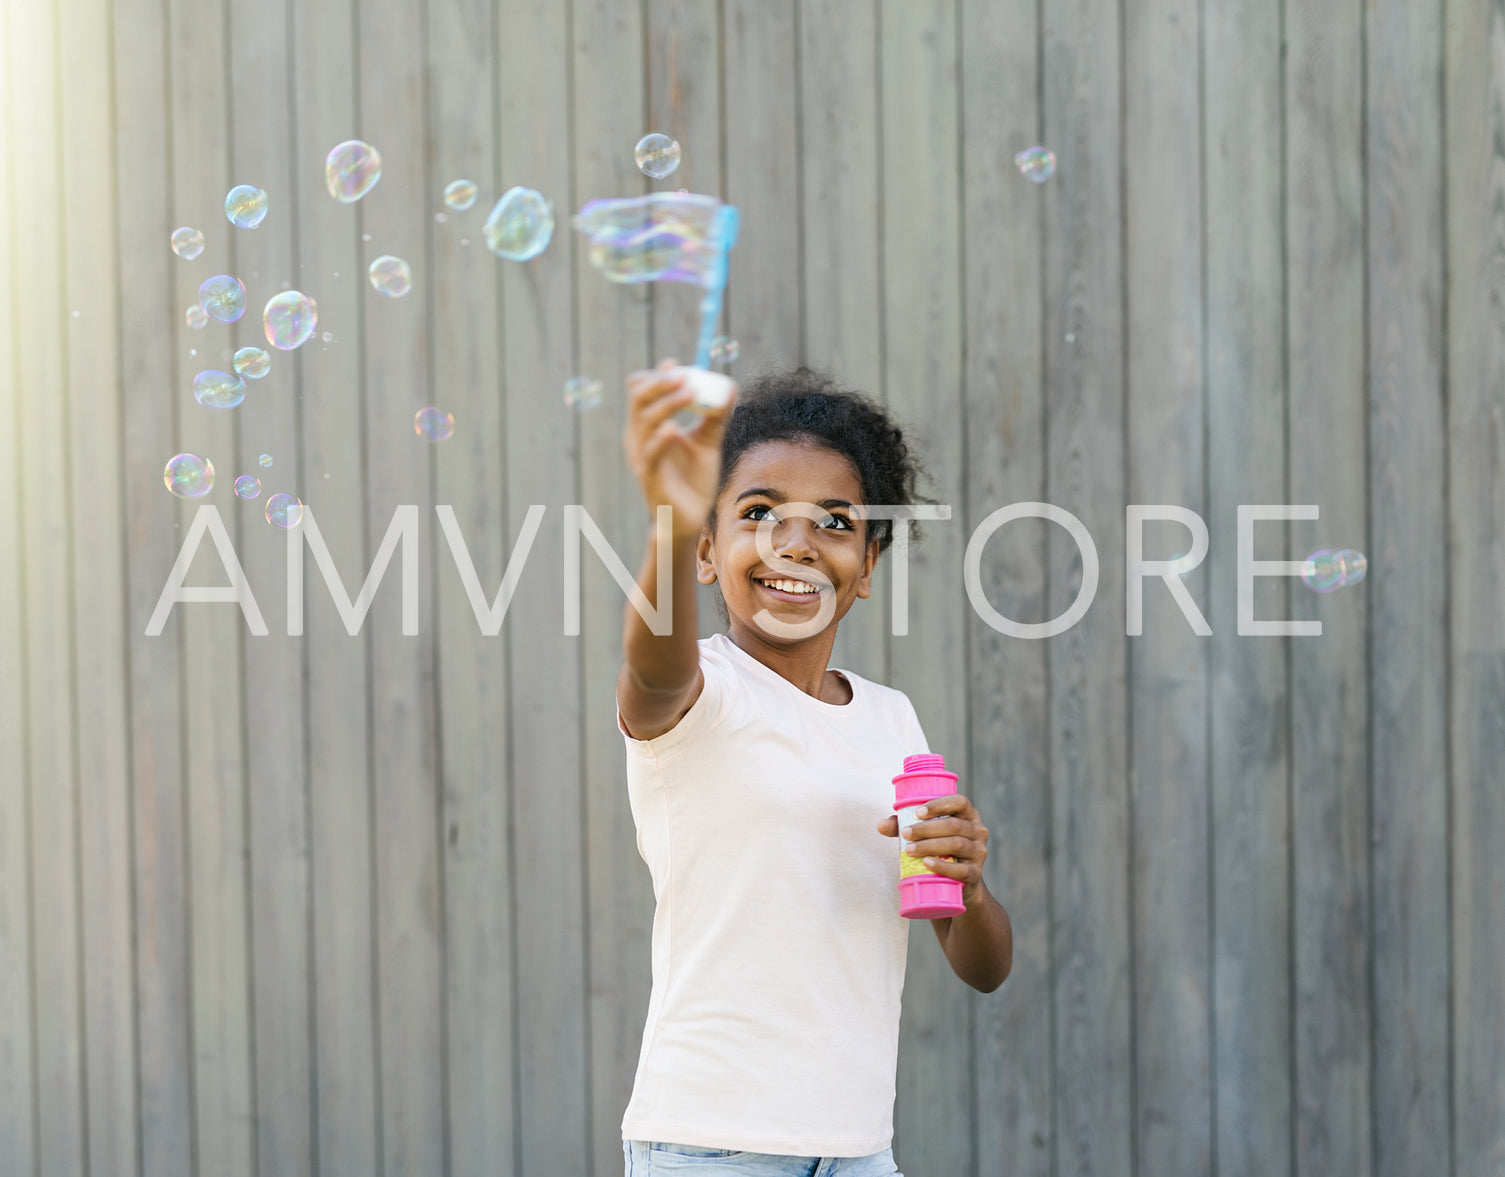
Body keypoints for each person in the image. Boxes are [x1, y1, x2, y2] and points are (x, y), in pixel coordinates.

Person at [616, 360, 1013, 1177]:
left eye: (834, 522)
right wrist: (665, 512)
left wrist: (970, 887)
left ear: (866, 569)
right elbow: (651, 671)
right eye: (758, 513)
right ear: (705, 550)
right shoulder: (699, 693)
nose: (794, 542)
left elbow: (980, 966)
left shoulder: (890, 719)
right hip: (711, 1143)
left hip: (858, 1149)